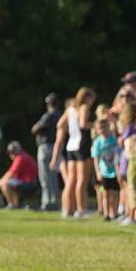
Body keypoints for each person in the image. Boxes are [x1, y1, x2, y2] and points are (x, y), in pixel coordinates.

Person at [52, 87, 96, 218]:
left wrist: (71, 129)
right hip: (82, 145)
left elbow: (60, 124)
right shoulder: (84, 107)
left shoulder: (70, 110)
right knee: (82, 180)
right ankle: (81, 209)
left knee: (71, 180)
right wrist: (94, 125)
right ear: (87, 97)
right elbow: (83, 124)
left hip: (71, 145)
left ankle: (67, 209)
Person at [31, 92, 61, 211]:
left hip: (46, 146)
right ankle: (53, 201)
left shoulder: (49, 115)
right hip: (55, 147)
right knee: (53, 176)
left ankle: (47, 202)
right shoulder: (59, 114)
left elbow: (35, 128)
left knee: (45, 176)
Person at [118, 102, 136, 225]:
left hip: (132, 159)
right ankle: (133, 214)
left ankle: (134, 215)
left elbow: (122, 141)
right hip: (132, 159)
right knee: (132, 187)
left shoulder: (131, 127)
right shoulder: (135, 127)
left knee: (132, 187)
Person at [91, 118, 121, 220]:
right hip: (104, 172)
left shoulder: (114, 139)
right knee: (105, 194)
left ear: (108, 127)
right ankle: (106, 214)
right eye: (100, 128)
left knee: (116, 193)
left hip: (114, 171)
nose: (102, 130)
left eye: (104, 127)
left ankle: (115, 213)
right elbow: (96, 158)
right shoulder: (98, 142)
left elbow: (117, 154)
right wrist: (98, 172)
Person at [0, 141, 40, 208]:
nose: (11, 154)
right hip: (30, 181)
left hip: (29, 182)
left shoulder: (20, 158)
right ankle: (16, 204)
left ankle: (12, 204)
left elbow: (10, 173)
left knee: (5, 184)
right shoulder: (23, 155)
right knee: (10, 183)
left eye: (12, 152)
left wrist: (1, 181)